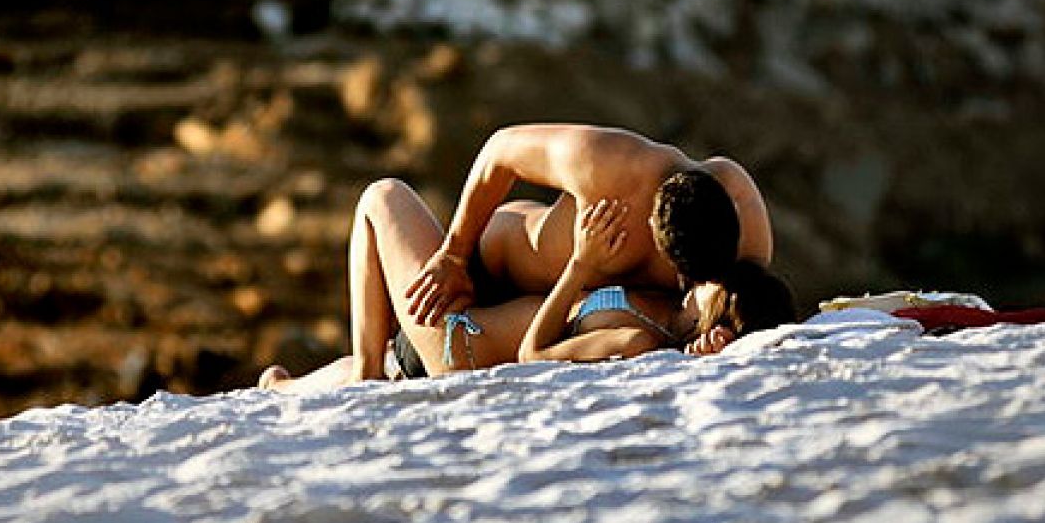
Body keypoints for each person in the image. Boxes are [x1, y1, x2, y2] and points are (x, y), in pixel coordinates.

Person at [259, 179, 793, 393]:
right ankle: (284, 388)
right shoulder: (661, 310)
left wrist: (580, 269)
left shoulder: (638, 343)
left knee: (382, 197)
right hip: (464, 327)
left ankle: (364, 374)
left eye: (713, 290)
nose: (701, 279)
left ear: (715, 322)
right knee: (337, 371)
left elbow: (534, 352)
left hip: (455, 340)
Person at [403, 124, 774, 338]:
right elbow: (499, 151)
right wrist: (454, 253)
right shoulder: (608, 163)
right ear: (652, 228)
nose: (685, 288)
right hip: (488, 268)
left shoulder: (744, 221)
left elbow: (746, 319)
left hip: (547, 318)